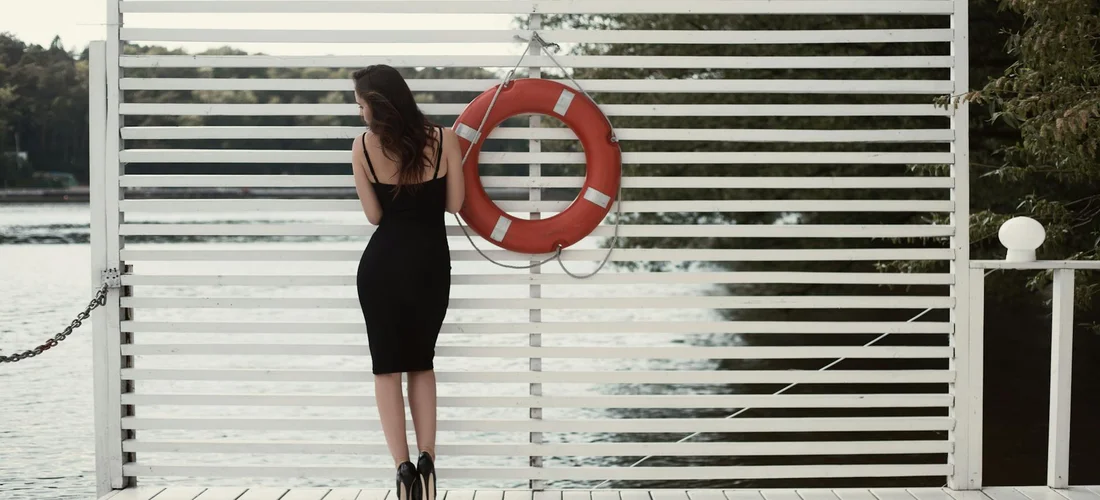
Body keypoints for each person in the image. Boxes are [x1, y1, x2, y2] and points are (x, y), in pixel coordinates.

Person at [351, 64, 464, 500]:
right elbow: (454, 204)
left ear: (378, 107)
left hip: (380, 267)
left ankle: (401, 472)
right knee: (422, 362)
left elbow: (375, 217)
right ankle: (428, 461)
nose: (360, 115)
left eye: (361, 105)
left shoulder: (362, 148)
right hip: (431, 265)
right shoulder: (445, 139)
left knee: (386, 368)